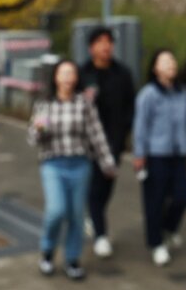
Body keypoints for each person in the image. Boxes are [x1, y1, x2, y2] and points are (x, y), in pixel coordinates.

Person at [29, 59, 118, 281]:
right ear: (56, 78)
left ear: (76, 78)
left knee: (76, 215)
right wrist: (40, 128)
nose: (68, 77)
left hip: (80, 165)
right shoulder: (45, 104)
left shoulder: (84, 104)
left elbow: (96, 135)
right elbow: (33, 138)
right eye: (63, 73)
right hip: (53, 164)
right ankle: (48, 252)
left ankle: (72, 259)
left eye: (71, 73)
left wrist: (107, 162)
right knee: (56, 211)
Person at [132, 49, 186, 267]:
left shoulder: (183, 93)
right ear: (155, 68)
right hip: (156, 155)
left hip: (178, 153)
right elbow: (141, 126)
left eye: (172, 60)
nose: (171, 64)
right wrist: (139, 154)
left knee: (183, 196)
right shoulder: (148, 94)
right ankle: (156, 244)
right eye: (165, 61)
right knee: (155, 201)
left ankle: (169, 228)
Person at [78, 26, 136, 259]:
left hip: (114, 142)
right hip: (87, 143)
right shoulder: (82, 73)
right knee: (94, 188)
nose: (105, 46)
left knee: (105, 187)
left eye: (109, 41)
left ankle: (94, 216)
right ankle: (101, 234)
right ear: (91, 47)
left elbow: (131, 105)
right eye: (100, 41)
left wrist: (125, 133)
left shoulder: (123, 73)